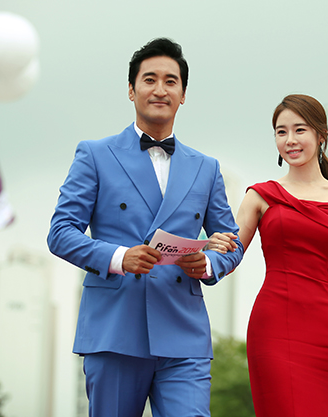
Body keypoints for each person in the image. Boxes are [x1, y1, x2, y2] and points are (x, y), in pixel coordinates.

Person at [47, 38, 244, 417]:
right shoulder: (95, 154)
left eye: (171, 81)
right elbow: (61, 232)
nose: (159, 89)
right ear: (131, 89)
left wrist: (208, 264)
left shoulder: (207, 167)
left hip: (183, 334)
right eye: (149, 79)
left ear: (183, 94)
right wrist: (120, 257)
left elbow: (230, 242)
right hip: (115, 330)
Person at [207, 94, 328, 417]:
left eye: (299, 130)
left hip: (323, 333)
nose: (290, 140)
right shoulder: (260, 195)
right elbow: (229, 256)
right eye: (281, 131)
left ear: (321, 135)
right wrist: (202, 253)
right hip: (273, 326)